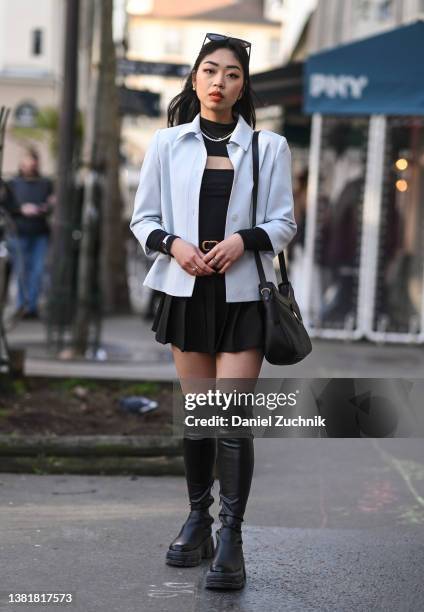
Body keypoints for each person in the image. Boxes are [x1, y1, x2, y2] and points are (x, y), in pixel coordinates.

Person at [130, 33, 296, 590]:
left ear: (243, 85)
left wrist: (242, 240)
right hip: (186, 290)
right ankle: (198, 517)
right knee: (200, 418)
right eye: (209, 71)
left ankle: (231, 535)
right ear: (195, 79)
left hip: (243, 294)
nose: (219, 82)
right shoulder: (166, 143)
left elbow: (284, 223)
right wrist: (174, 245)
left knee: (231, 418)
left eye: (230, 73)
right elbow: (143, 218)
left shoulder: (269, 147)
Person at [7, 149, 55, 319]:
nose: (30, 166)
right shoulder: (13, 183)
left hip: (39, 232)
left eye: (33, 162)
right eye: (27, 162)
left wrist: (45, 207)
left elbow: (51, 204)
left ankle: (32, 306)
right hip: (19, 232)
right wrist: (21, 209)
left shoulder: (45, 183)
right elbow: (7, 206)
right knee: (21, 270)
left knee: (37, 270)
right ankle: (21, 305)